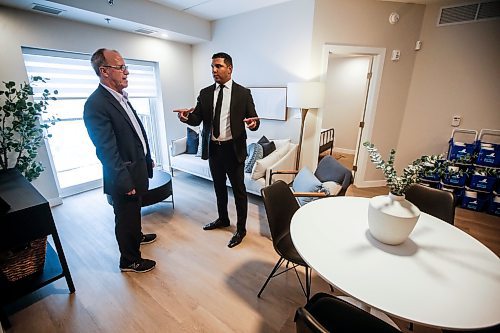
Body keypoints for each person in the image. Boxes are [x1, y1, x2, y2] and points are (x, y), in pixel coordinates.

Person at [175, 52, 259, 248]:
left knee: (239, 191)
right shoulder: (205, 93)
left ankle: (241, 229)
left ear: (229, 68)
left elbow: (253, 119)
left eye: (218, 66)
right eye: (212, 66)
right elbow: (197, 119)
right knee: (219, 187)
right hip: (214, 149)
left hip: (234, 149)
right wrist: (187, 117)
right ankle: (223, 219)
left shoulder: (243, 93)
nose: (214, 70)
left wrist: (253, 125)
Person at [84, 48, 157, 273]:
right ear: (104, 71)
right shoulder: (96, 104)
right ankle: (130, 261)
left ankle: (137, 236)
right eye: (121, 67)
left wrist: (146, 157)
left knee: (133, 214)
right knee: (125, 218)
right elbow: (106, 150)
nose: (127, 72)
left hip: (135, 167)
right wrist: (124, 182)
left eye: (126, 67)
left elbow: (134, 133)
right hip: (122, 175)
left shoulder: (120, 97)